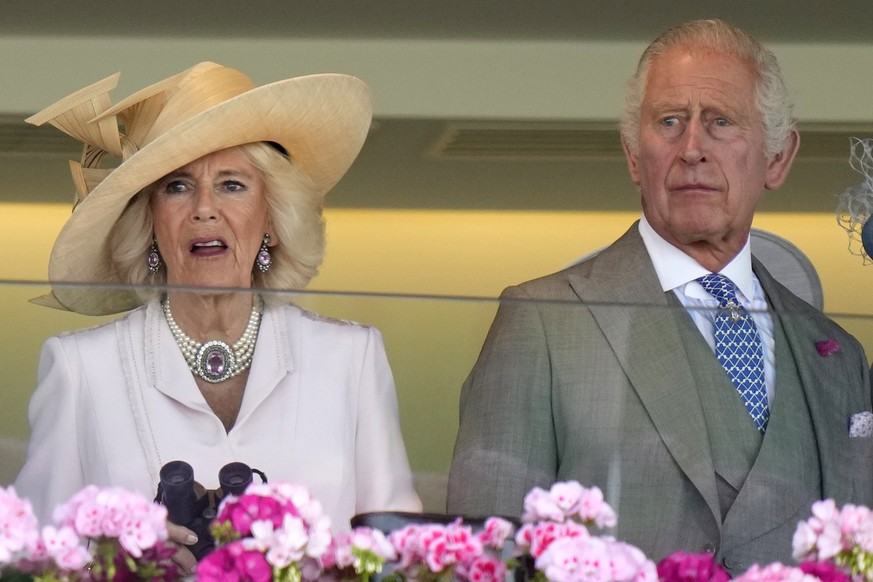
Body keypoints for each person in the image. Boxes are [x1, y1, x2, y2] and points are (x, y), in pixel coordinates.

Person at [447, 19, 873, 574]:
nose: (692, 147)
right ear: (632, 153)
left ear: (777, 159)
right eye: (669, 121)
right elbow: (486, 559)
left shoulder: (838, 354)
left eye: (721, 122)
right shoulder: (544, 321)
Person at [15, 62, 422, 570]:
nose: (204, 209)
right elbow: (31, 557)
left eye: (232, 185)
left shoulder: (349, 358)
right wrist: (117, 561)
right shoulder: (82, 368)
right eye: (177, 187)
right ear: (149, 222)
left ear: (271, 220)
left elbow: (399, 553)